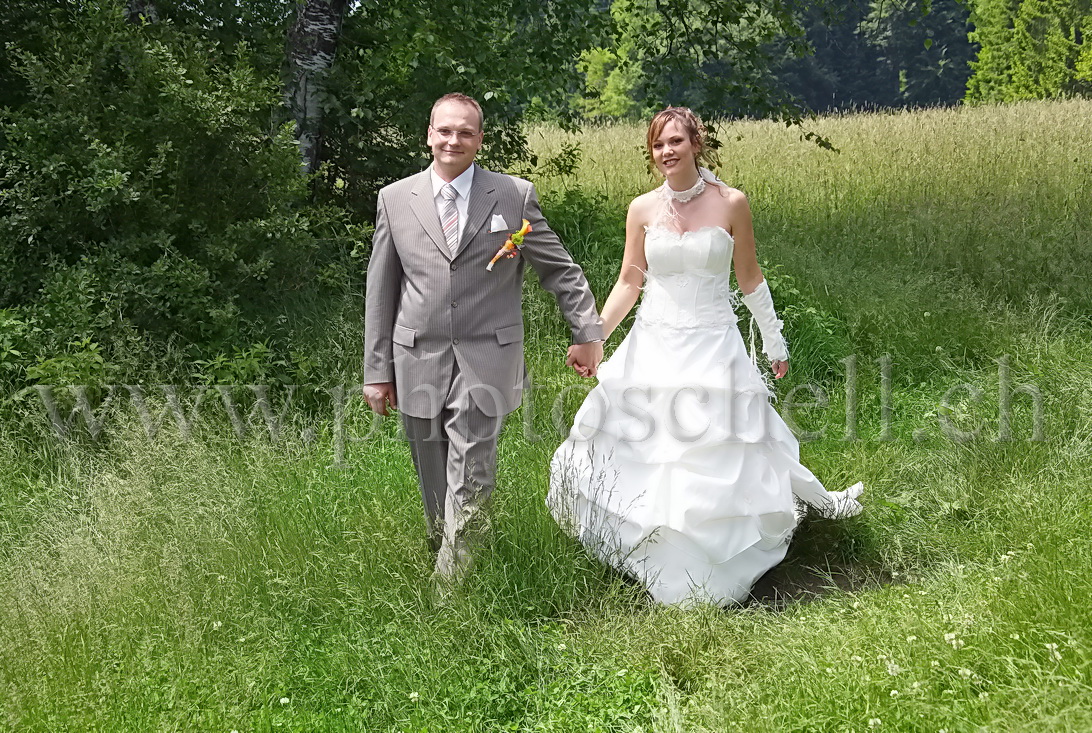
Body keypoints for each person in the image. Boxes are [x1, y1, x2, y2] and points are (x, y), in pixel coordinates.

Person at [547, 107, 863, 606]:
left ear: (697, 143)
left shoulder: (732, 203)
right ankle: (652, 555)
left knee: (719, 447)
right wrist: (594, 336)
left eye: (675, 141)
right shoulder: (642, 209)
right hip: (654, 342)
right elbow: (630, 282)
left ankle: (719, 561)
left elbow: (750, 278)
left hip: (713, 343)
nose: (666, 152)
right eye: (657, 145)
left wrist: (774, 339)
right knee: (650, 451)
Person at [363, 93, 604, 586]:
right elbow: (381, 289)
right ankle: (445, 548)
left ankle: (448, 593)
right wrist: (377, 370)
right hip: (417, 358)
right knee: (433, 474)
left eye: (465, 132)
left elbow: (560, 269)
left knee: (471, 472)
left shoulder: (512, 196)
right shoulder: (395, 198)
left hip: (486, 358)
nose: (454, 140)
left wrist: (587, 331)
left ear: (479, 140)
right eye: (445, 131)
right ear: (429, 134)